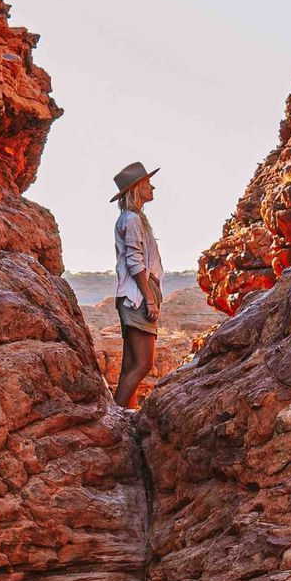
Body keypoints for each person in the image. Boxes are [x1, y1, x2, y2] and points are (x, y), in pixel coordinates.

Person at [110, 161, 162, 409]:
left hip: (134, 295)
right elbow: (135, 261)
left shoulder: (133, 218)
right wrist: (149, 297)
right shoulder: (131, 219)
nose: (153, 187)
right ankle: (116, 417)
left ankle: (124, 416)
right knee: (143, 364)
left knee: (131, 364)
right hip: (138, 297)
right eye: (148, 183)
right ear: (136, 187)